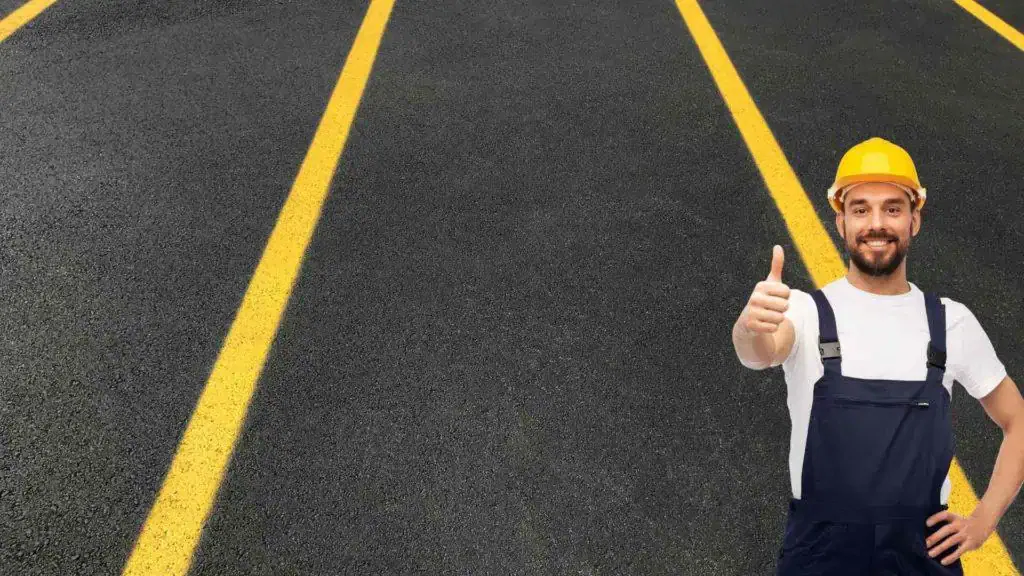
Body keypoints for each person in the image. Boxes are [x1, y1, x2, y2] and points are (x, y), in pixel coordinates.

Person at [731, 137, 1024, 575]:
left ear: (914, 220)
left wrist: (982, 522)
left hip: (922, 554)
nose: (876, 223)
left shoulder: (951, 321)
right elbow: (758, 353)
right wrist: (749, 326)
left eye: (892, 208)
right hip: (820, 552)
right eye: (860, 209)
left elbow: (1017, 420)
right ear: (841, 222)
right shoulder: (804, 311)